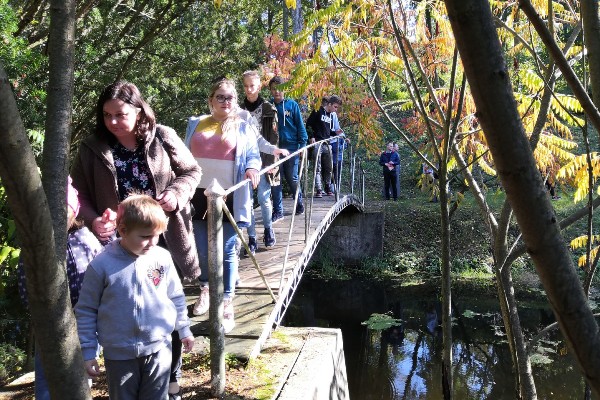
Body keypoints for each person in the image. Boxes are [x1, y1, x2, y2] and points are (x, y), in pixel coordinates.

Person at [70, 81, 201, 399]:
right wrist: (93, 219)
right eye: (107, 115)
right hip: (120, 242)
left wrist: (176, 193)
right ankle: (129, 370)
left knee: (164, 305)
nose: (113, 121)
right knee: (130, 307)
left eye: (120, 114)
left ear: (139, 110)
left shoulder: (163, 136)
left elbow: (191, 172)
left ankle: (171, 381)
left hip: (163, 236)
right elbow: (79, 194)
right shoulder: (92, 148)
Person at [74, 194, 194, 400]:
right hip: (119, 355)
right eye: (145, 236)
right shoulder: (101, 265)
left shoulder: (162, 257)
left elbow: (175, 296)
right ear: (123, 231)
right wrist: (88, 351)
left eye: (156, 235)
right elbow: (86, 310)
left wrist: (183, 328)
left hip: (159, 348)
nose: (152, 242)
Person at [184, 77, 261, 333]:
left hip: (230, 196)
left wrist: (252, 168)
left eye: (230, 97)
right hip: (196, 195)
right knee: (202, 249)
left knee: (227, 251)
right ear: (211, 100)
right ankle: (206, 289)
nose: (226, 101)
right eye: (221, 97)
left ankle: (227, 300)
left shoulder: (243, 126)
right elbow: (183, 155)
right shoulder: (195, 123)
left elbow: (253, 156)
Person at [17, 177, 103, 400]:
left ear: (74, 211)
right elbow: (26, 283)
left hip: (85, 323)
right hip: (49, 323)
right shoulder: (34, 246)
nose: (57, 217)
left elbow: (102, 274)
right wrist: (38, 312)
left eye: (64, 211)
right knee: (47, 376)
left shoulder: (85, 239)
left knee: (81, 377)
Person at [240, 70, 289, 253]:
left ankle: (268, 229)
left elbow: (273, 138)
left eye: (252, 86)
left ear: (259, 86)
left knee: (263, 198)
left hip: (265, 161)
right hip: (244, 163)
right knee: (248, 201)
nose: (249, 90)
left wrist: (271, 163)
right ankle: (251, 237)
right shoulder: (239, 111)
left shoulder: (269, 108)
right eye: (245, 86)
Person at [269, 76, 308, 221]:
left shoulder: (292, 105)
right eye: (274, 88)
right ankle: (277, 211)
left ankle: (298, 203)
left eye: (279, 88)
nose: (277, 91)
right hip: (275, 149)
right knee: (276, 180)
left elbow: (301, 127)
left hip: (292, 148)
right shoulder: (269, 107)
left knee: (292, 178)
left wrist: (302, 146)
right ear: (271, 90)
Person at [306, 96, 334, 197]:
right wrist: (311, 136)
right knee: (317, 167)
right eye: (335, 107)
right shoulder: (317, 111)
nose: (335, 109)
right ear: (328, 104)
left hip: (327, 144)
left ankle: (327, 187)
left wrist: (339, 134)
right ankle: (319, 189)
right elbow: (308, 125)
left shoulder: (330, 116)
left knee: (328, 167)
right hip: (317, 143)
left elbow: (328, 130)